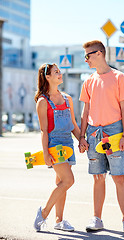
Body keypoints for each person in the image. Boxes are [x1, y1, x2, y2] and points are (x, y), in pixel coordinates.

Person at [79, 40, 124, 236]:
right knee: (98, 177)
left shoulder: (119, 77)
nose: (85, 59)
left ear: (99, 54)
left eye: (88, 55)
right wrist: (81, 137)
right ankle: (97, 218)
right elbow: (85, 111)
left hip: (115, 133)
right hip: (94, 134)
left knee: (119, 177)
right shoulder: (88, 81)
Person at [34, 63, 83, 232]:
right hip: (54, 144)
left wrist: (81, 140)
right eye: (56, 72)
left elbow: (74, 125)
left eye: (60, 72)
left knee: (61, 182)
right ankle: (44, 213)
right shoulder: (42, 101)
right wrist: (46, 153)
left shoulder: (67, 98)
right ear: (47, 77)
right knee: (68, 180)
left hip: (68, 143)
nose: (60, 74)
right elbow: (44, 131)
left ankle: (59, 220)